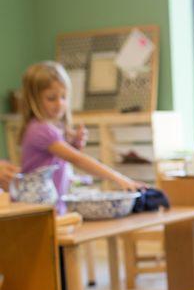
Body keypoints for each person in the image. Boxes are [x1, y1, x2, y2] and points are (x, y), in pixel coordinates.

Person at [19, 61, 142, 214]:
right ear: (33, 99)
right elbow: (78, 159)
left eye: (63, 97)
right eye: (51, 98)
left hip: (52, 205)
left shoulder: (50, 128)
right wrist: (119, 178)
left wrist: (73, 145)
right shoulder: (41, 130)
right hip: (39, 209)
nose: (59, 104)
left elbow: (62, 160)